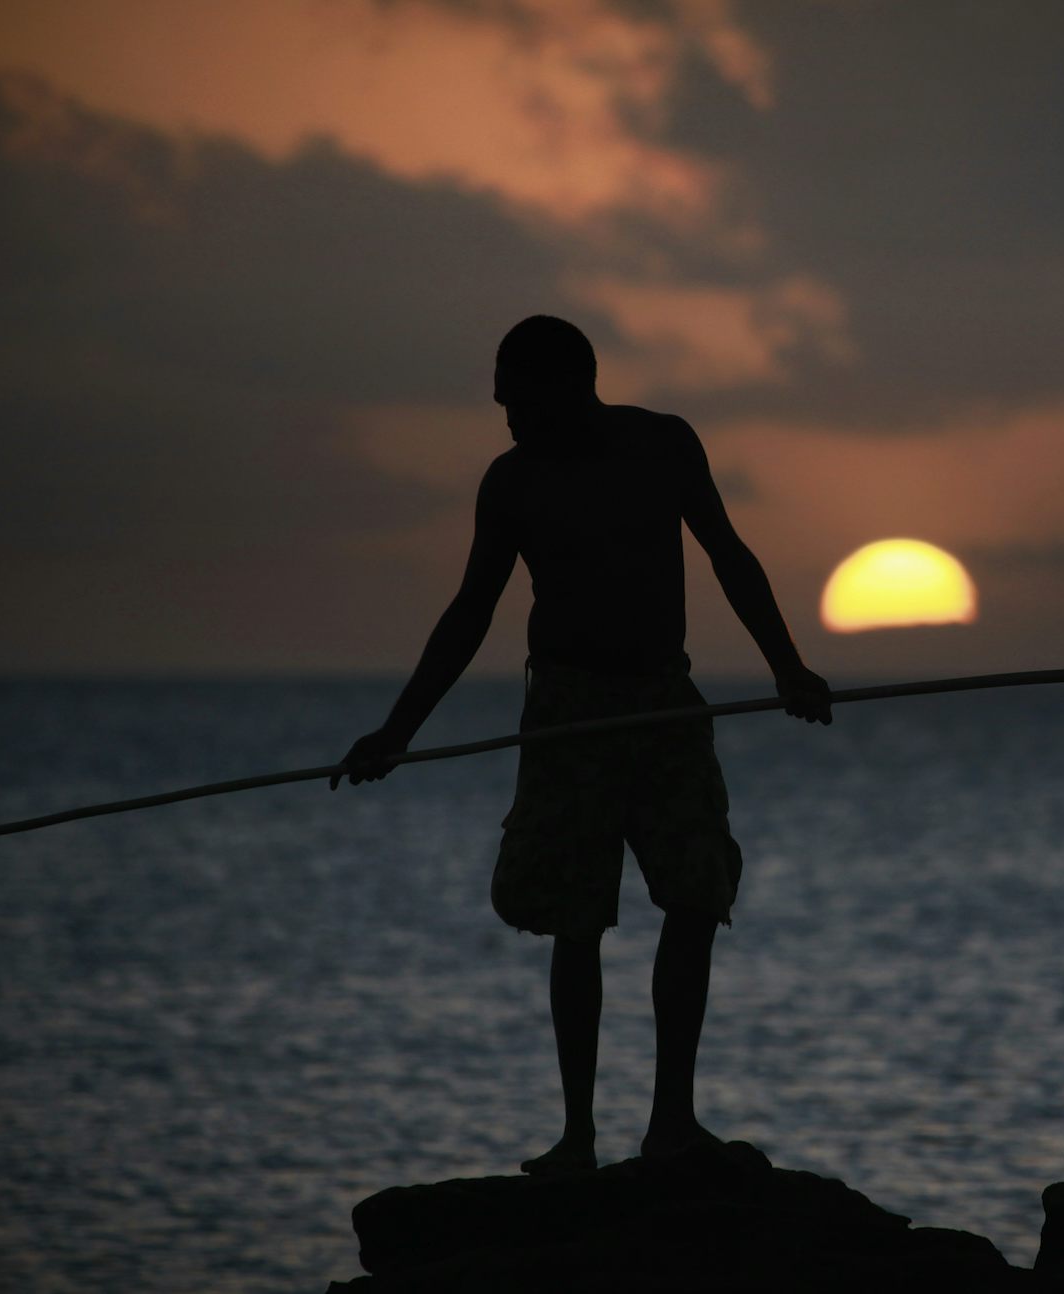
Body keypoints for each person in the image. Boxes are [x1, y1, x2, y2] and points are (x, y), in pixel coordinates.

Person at [333, 314, 832, 1176]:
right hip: (567, 709)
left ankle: (671, 1122)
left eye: (520, 402)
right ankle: (578, 1136)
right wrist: (396, 733)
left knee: (696, 892)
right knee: (575, 915)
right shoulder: (512, 483)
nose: (509, 419)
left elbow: (728, 555)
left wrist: (788, 666)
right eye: (501, 404)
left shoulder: (663, 446)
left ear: (573, 385)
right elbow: (470, 613)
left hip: (663, 700)